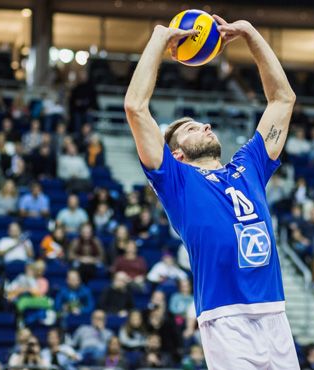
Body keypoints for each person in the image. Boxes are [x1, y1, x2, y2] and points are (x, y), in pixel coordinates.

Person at [123, 16, 298, 369]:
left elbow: (282, 99)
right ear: (177, 154)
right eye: (190, 127)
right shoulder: (177, 180)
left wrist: (249, 33)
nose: (204, 125)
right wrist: (159, 38)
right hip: (226, 318)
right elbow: (135, 107)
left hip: (275, 314)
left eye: (202, 122)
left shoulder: (248, 166)